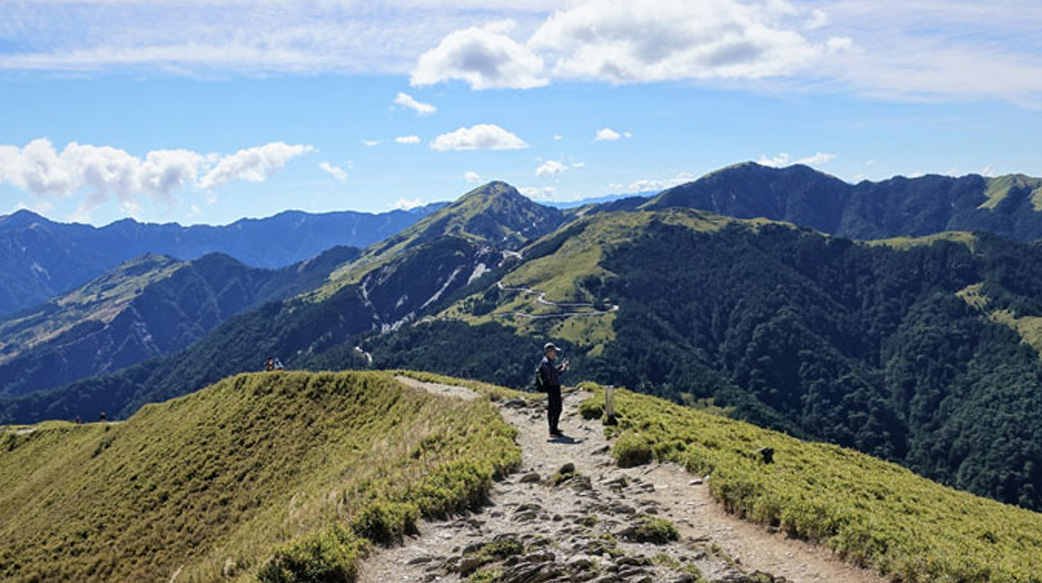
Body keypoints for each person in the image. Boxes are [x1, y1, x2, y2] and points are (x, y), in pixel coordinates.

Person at [538, 342, 569, 438]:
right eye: (554, 351)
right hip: (553, 387)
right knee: (557, 408)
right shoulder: (547, 363)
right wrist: (564, 367)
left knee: (552, 408)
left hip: (550, 387)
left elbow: (554, 371)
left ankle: (553, 428)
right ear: (549, 352)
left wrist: (561, 365)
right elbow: (556, 374)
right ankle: (553, 430)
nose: (555, 353)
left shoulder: (546, 362)